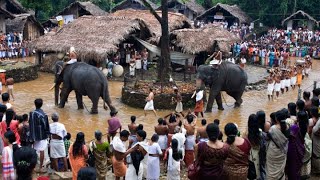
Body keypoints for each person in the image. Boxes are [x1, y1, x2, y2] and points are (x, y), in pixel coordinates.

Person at [266, 110, 289, 180]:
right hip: (283, 151)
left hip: (273, 151)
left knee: (271, 169)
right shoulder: (287, 126)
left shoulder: (273, 128)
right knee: (280, 168)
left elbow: (267, 138)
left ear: (276, 119)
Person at [29, 98, 50, 173]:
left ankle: (33, 166)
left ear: (35, 104)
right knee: (42, 151)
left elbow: (30, 124)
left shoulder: (31, 113)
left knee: (34, 150)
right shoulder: (43, 115)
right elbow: (46, 126)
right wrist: (48, 134)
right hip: (42, 136)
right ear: (42, 104)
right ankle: (40, 167)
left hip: (33, 136)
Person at [245, 114, 266, 180]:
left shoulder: (245, 133)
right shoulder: (260, 132)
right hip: (258, 155)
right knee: (258, 171)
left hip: (250, 155)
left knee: (251, 172)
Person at [312, 108, 320, 174]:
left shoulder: (318, 122)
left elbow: (315, 131)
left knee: (317, 155)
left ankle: (318, 171)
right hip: (317, 139)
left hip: (317, 140)